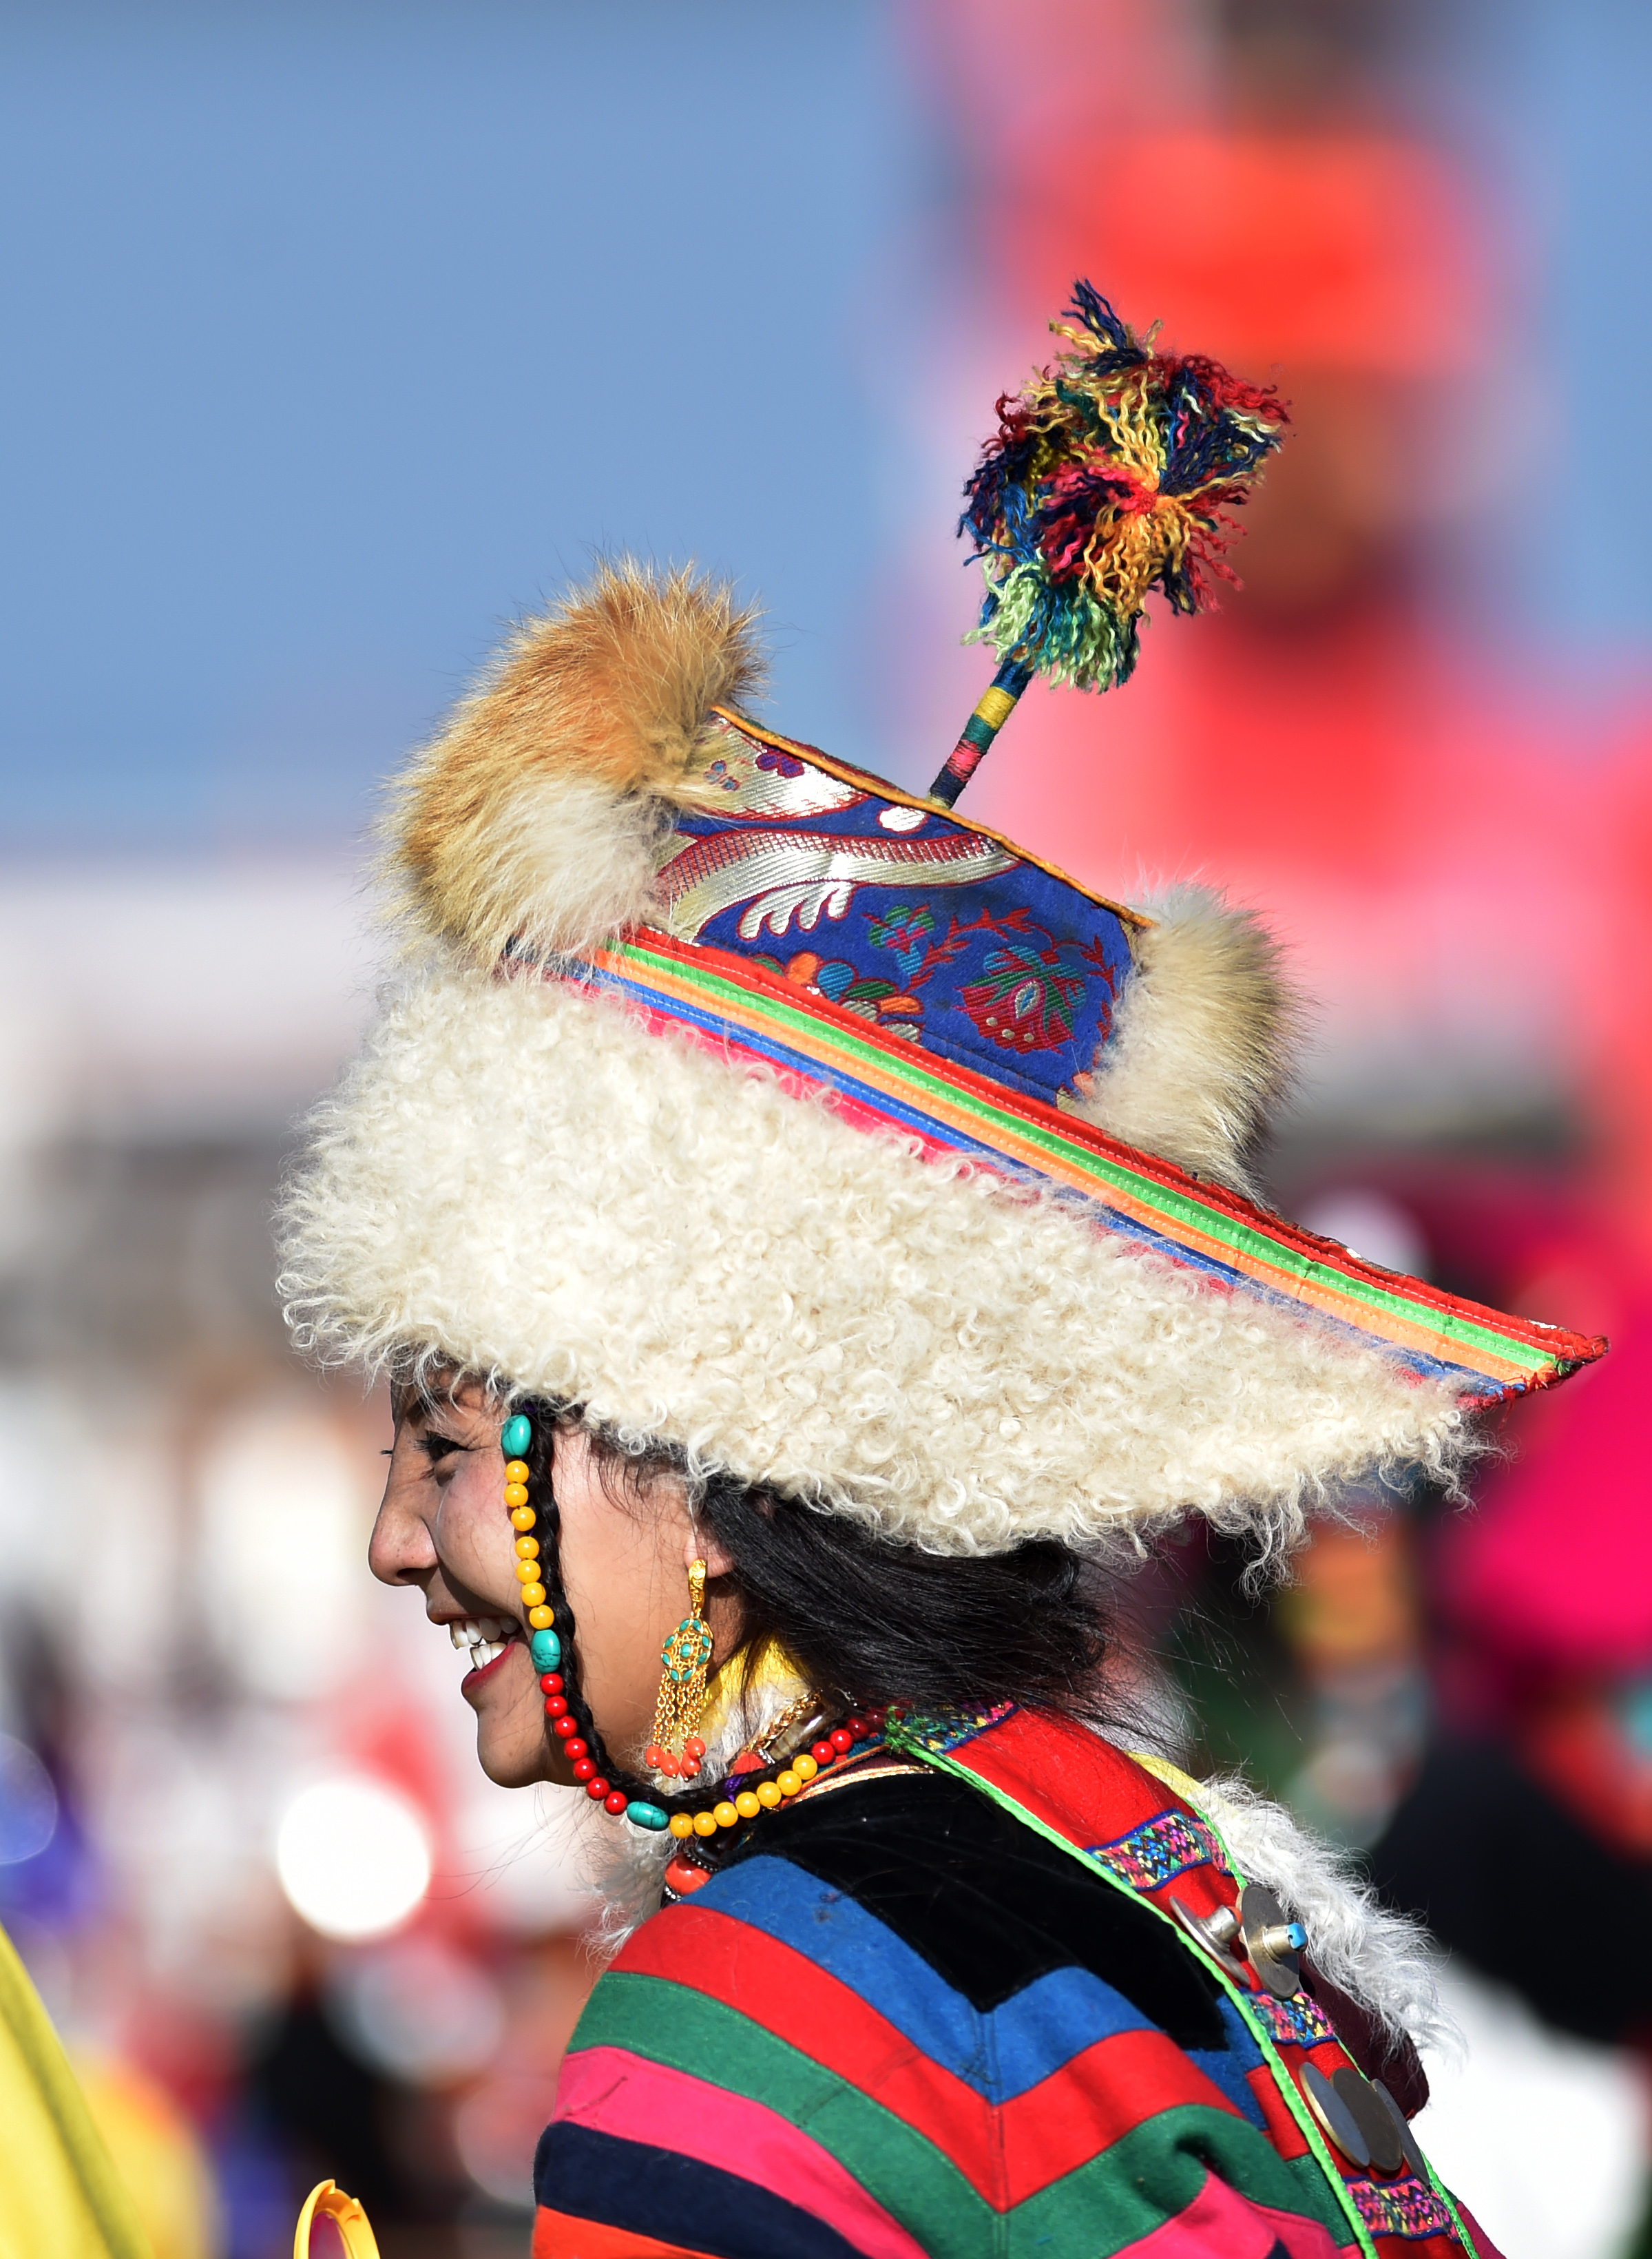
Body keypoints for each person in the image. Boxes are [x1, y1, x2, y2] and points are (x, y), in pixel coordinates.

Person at [278, 551, 1600, 2259]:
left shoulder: (752, 2015)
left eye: (450, 1449)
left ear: (705, 1470)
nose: (395, 1540)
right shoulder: (1148, 1868)